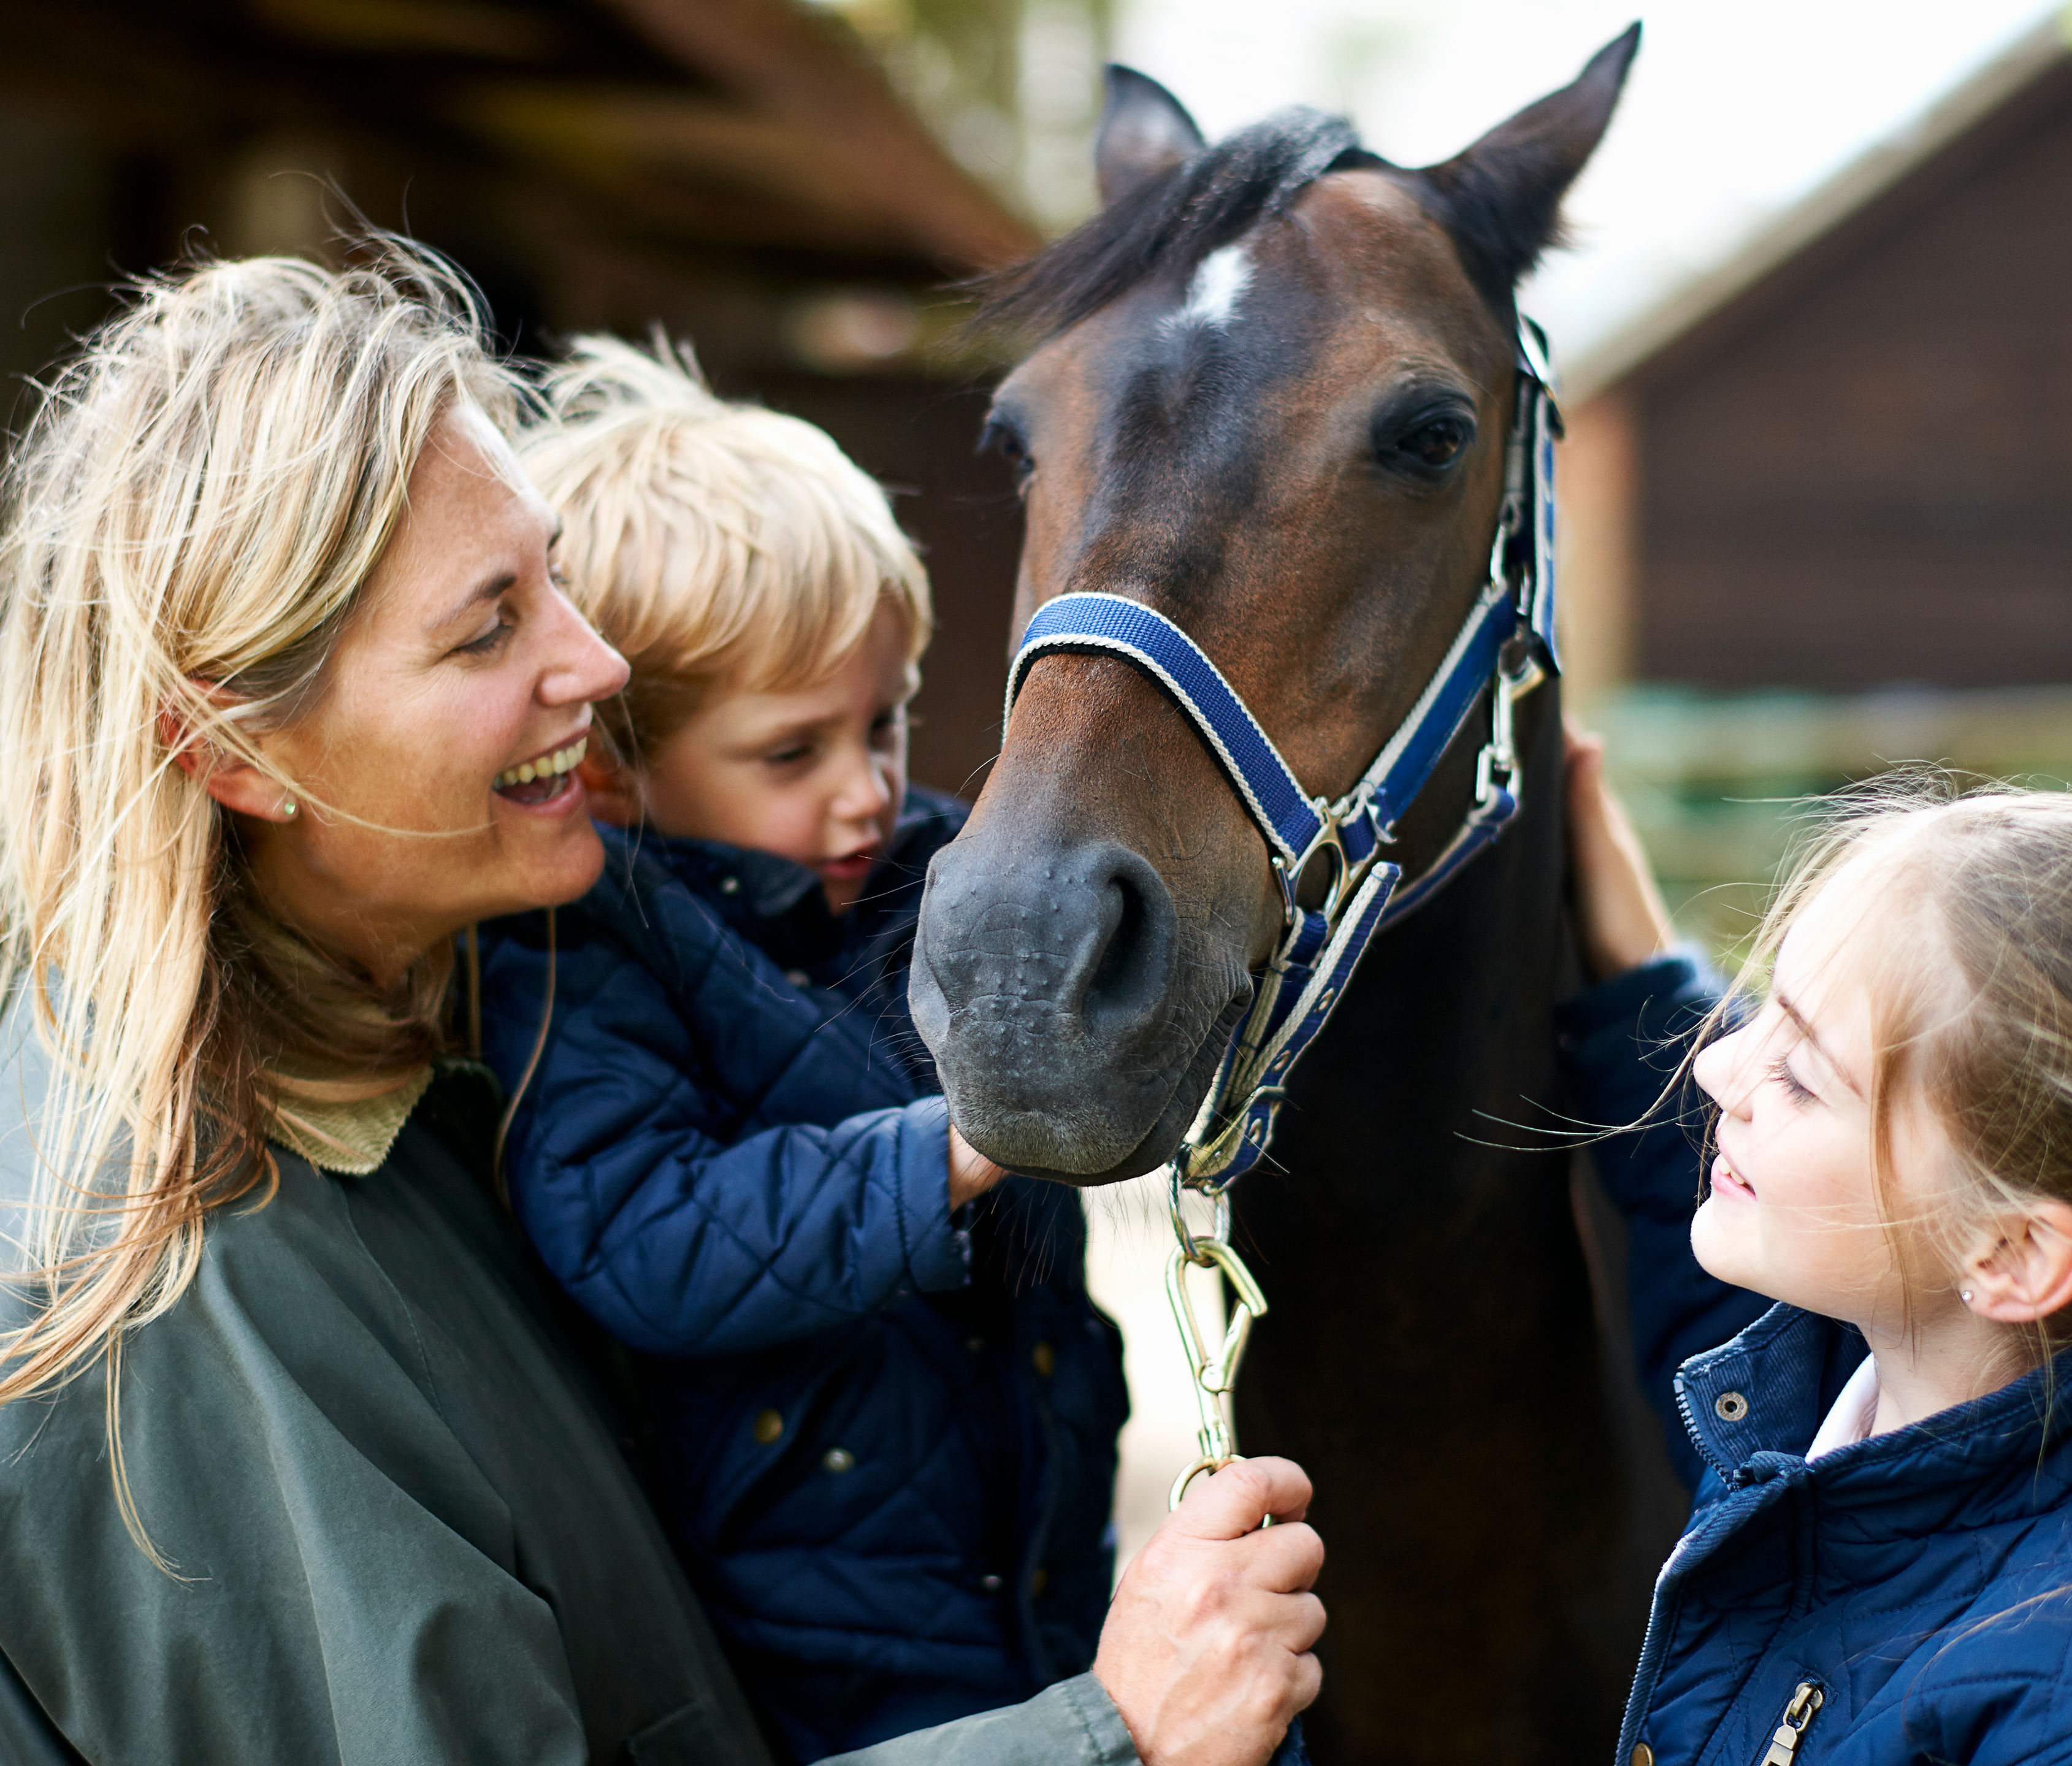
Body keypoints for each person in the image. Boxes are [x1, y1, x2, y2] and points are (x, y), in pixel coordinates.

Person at [0, 245, 1322, 1766]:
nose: (602, 660)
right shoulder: (174, 1286)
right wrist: (1115, 1731)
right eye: (488, 626)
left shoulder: (453, 1030)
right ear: (235, 751)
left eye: (555, 577)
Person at [473, 338, 1127, 1760]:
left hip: (1038, 1526)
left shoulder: (924, 877)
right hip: (821, 1612)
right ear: (615, 770)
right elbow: (640, 1231)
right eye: (792, 753)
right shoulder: (594, 954)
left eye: (883, 724)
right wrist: (952, 1153)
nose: (866, 791)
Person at [1557, 734, 2072, 1764]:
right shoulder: (1881, 1374)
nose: (1717, 1070)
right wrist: (1638, 977)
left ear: (2014, 1253)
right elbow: (1725, 1271)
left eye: (1800, 1074)